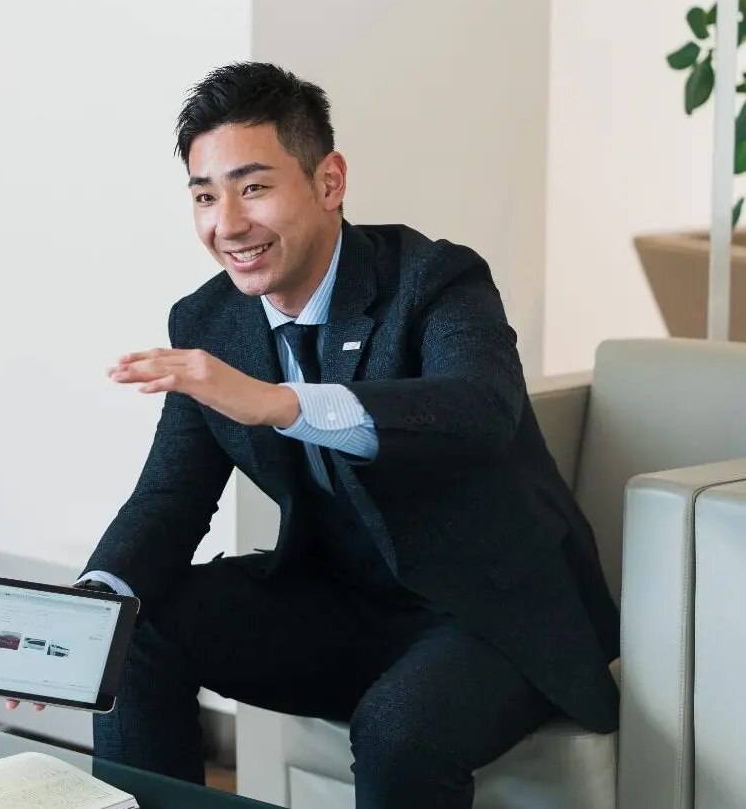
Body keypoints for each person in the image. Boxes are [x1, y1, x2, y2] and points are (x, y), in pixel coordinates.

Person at [75, 63, 619, 808]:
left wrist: (282, 403)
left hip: (487, 612)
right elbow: (170, 498)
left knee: (398, 729)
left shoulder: (436, 279)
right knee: (126, 632)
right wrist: (89, 606)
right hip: (339, 603)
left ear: (328, 182)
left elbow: (479, 410)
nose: (227, 224)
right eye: (205, 196)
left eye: (253, 188)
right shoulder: (209, 319)